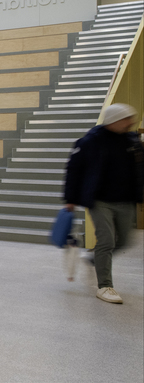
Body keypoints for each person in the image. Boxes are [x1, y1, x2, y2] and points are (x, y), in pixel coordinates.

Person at [63, 103, 143, 304]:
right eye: (126, 119)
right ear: (113, 121)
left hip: (126, 200)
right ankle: (105, 286)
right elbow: (73, 169)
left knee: (124, 241)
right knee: (106, 241)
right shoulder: (91, 141)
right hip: (99, 201)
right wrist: (70, 199)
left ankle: (94, 259)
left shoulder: (132, 140)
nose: (130, 122)